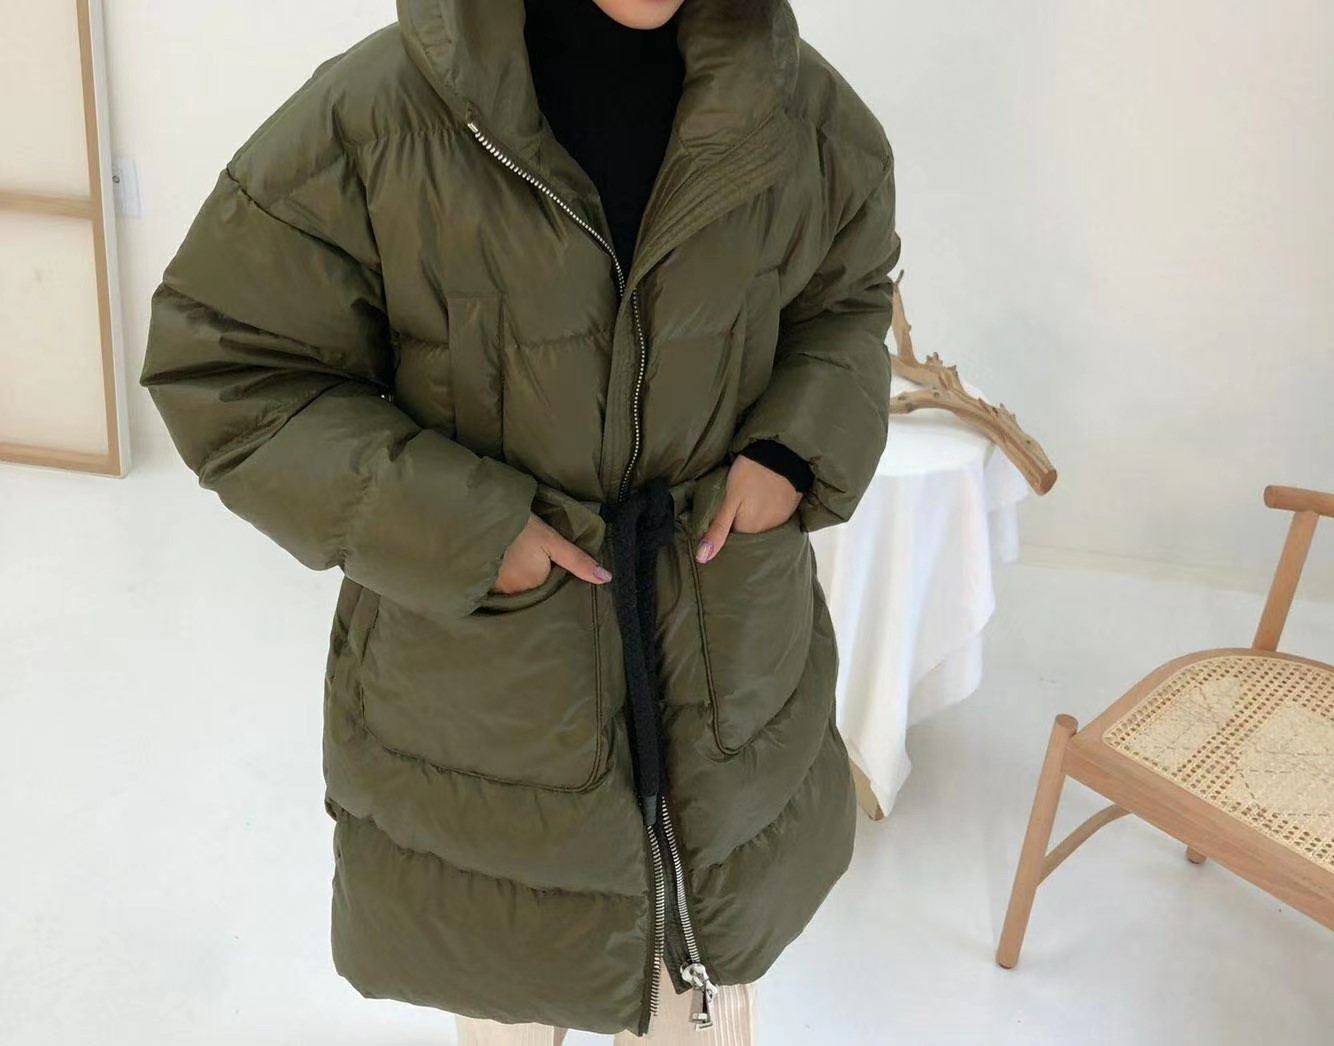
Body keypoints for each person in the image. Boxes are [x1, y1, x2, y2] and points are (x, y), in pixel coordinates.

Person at [140, 0, 901, 1041]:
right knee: (505, 992)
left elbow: (845, 302)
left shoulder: (798, 111)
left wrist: (792, 448)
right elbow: (225, 364)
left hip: (725, 675)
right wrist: (466, 529)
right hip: (488, 711)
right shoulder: (383, 114)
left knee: (703, 997)